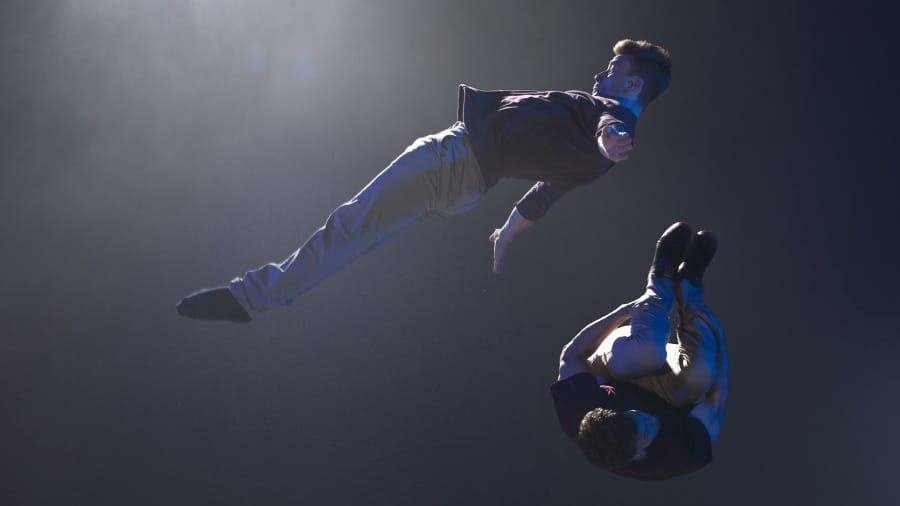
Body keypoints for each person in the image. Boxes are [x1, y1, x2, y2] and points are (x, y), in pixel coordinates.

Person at [176, 39, 672, 323]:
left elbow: (608, 128)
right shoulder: (596, 152)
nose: (601, 72)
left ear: (633, 84)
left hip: (453, 161)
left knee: (352, 224)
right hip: (464, 180)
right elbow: (544, 195)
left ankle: (250, 297)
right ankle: (256, 296)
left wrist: (610, 139)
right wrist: (506, 236)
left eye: (614, 68)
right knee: (359, 226)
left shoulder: (605, 115)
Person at [552, 222, 729, 480]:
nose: (647, 418)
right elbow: (716, 402)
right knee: (700, 377)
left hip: (616, 367)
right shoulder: (677, 455)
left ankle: (661, 278)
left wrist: (625, 310)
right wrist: (719, 340)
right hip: (668, 393)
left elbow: (571, 355)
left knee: (645, 353)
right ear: (639, 455)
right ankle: (689, 290)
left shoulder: (578, 410)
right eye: (646, 430)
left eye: (633, 415)